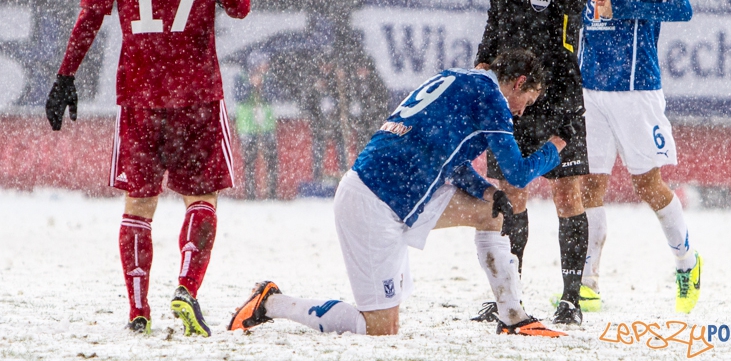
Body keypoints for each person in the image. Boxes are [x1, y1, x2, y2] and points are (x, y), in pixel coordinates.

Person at [45, 0, 250, 336]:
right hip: (196, 91)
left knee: (139, 205)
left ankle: (138, 310)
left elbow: (91, 13)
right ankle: (186, 288)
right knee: (202, 198)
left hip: (139, 91)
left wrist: (65, 75)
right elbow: (240, 7)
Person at [228, 50, 568, 337]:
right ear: (519, 83)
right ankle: (271, 302)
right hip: (374, 203)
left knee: (490, 211)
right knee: (379, 329)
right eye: (528, 101)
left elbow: (445, 158)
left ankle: (513, 317)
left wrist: (486, 190)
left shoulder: (458, 79)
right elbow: (518, 173)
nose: (521, 111)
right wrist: (556, 147)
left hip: (399, 192)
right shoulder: (491, 97)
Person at [473, 0, 593, 326]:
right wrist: (483, 64)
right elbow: (494, 21)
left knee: (567, 194)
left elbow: (572, 6)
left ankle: (571, 299)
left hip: (559, 94)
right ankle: (511, 294)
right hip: (513, 96)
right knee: (512, 194)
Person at [579, 0, 700, 313]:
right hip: (590, 88)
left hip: (634, 88)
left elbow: (681, 8)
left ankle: (687, 262)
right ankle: (587, 283)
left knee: (648, 185)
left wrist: (626, 7)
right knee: (589, 184)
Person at [233, 52, 280, 200]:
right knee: (250, 159)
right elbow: (239, 97)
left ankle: (271, 191)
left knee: (271, 157)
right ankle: (250, 192)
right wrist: (250, 85)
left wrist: (263, 86)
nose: (266, 66)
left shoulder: (269, 78)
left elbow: (272, 96)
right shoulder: (240, 77)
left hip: (265, 124)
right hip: (248, 125)